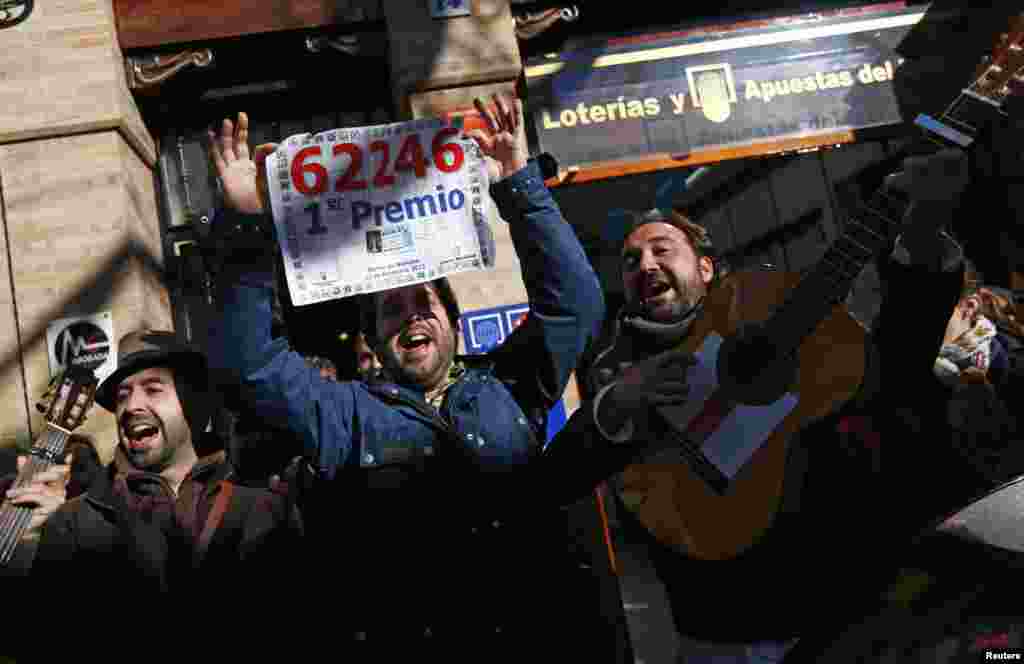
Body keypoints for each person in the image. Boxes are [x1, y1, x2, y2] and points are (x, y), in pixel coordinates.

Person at [206, 94, 619, 653]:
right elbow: (251, 362)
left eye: (424, 301)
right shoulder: (345, 415)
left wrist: (519, 186)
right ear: (375, 341)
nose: (411, 315)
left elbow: (576, 305)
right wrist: (248, 224)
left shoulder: (509, 384)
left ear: (453, 319)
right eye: (391, 310)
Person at [538, 149, 972, 663]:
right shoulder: (619, 371)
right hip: (730, 630)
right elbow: (558, 478)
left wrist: (920, 241)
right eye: (631, 260)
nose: (645, 264)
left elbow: (893, 373)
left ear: (705, 268)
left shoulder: (769, 314)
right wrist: (622, 399)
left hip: (859, 602)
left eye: (661, 249)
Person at [3, 330, 303, 618]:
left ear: (195, 404)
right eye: (123, 395)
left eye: (153, 389)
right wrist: (25, 546)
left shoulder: (265, 506)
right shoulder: (74, 522)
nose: (131, 406)